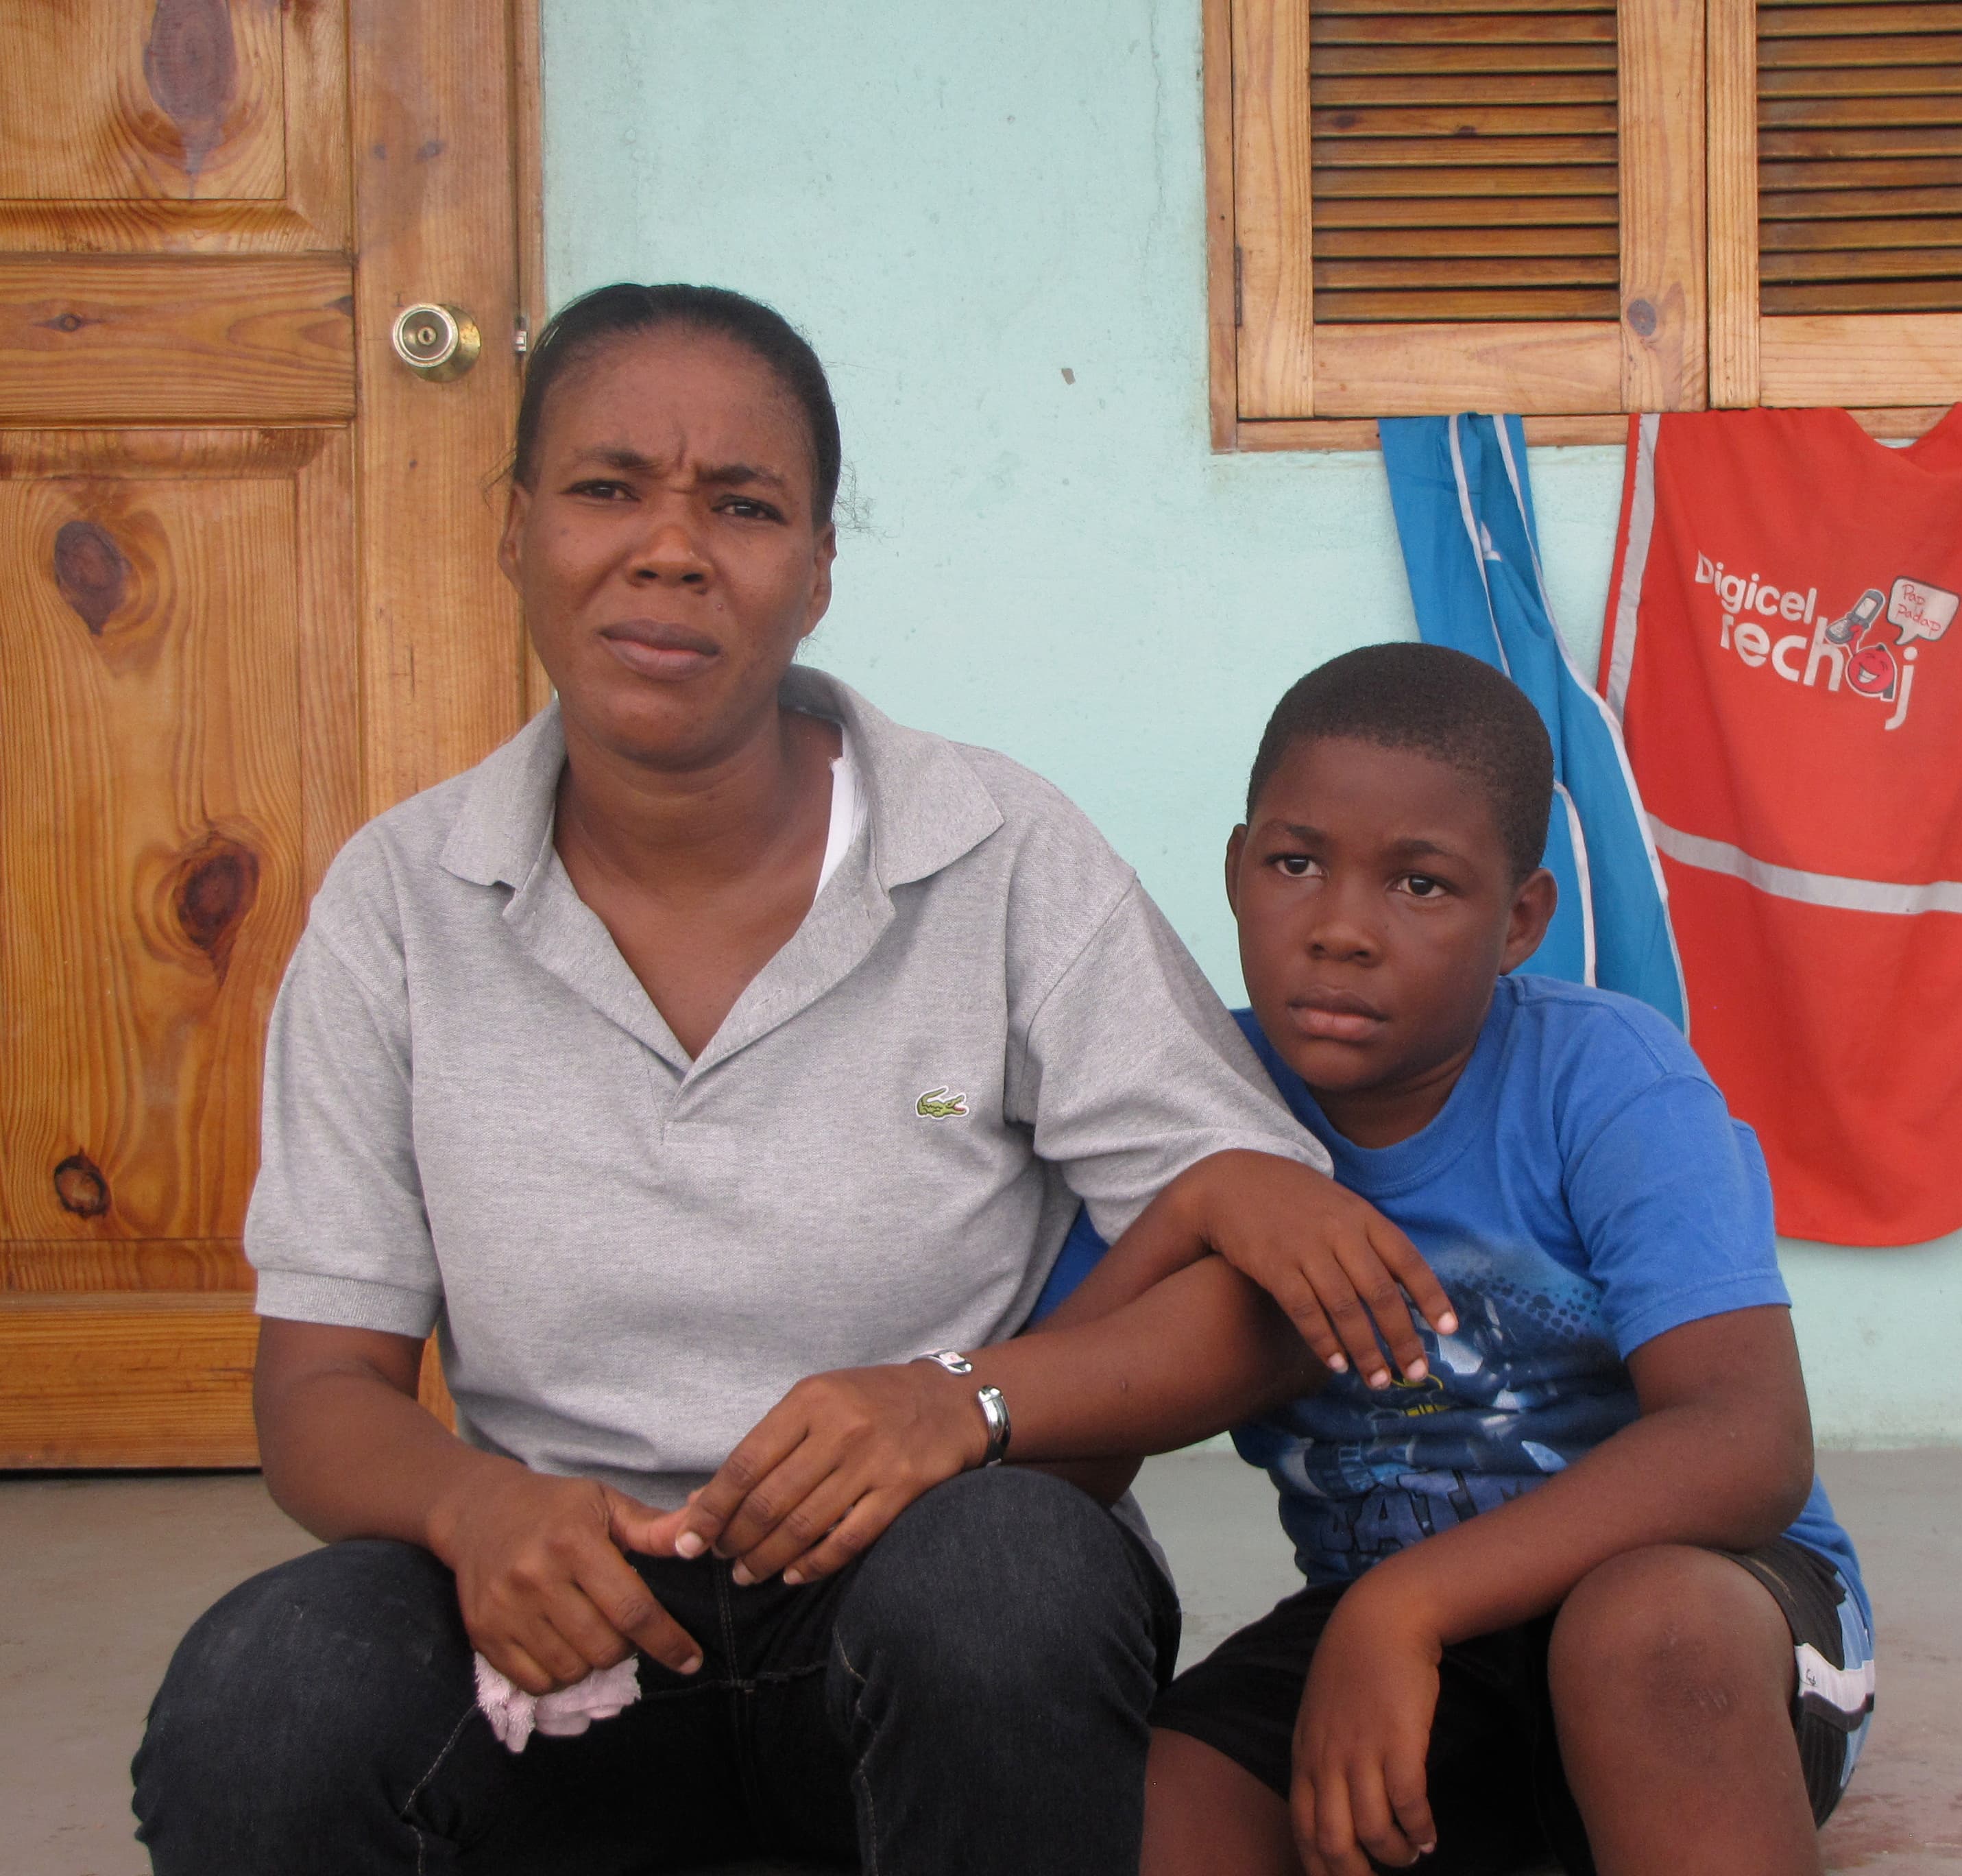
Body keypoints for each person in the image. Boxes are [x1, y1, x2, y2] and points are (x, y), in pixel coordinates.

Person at [128, 284, 1444, 1876]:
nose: (670, 548)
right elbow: (319, 1397)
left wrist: (961, 1403)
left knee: (1013, 1583)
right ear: (516, 529)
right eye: (608, 487)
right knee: (261, 1700)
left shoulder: (995, 854)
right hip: (563, 1636)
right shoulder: (401, 904)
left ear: (818, 570)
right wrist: (475, 1512)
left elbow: (1255, 1279)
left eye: (742, 506)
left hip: (910, 1606)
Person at [1067, 645, 1876, 1876]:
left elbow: (1747, 1440)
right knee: (1153, 1815)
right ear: (1237, 870)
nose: (1340, 931)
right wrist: (1191, 1208)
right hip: (1395, 1633)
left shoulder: (1606, 1077)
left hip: (1701, 1612)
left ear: (1523, 922)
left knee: (1641, 1635)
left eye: (1423, 887)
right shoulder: (1191, 1102)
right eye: (1295, 865)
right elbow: (1065, 1467)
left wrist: (1408, 1606)